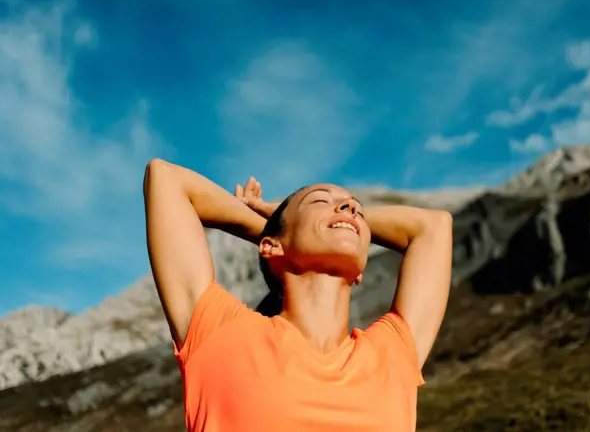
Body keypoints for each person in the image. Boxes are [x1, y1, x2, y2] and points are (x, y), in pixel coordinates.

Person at [143, 159, 453, 432]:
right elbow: (166, 179)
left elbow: (434, 227)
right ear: (270, 247)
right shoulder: (220, 333)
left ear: (361, 272)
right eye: (320, 200)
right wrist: (275, 230)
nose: (350, 207)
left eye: (355, 206)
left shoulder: (392, 355)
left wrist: (316, 224)